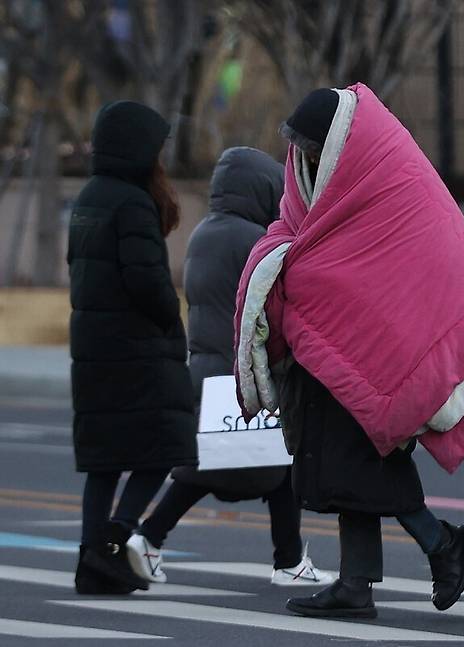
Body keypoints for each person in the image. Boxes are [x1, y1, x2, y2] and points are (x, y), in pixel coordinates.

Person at [233, 86, 464, 618]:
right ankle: (359, 583)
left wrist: (307, 277)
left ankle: (439, 547)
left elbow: (388, 264)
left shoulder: (388, 180)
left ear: (339, 143)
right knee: (344, 470)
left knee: (364, 465)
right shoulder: (315, 174)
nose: (307, 159)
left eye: (315, 148)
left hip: (371, 355)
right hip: (327, 355)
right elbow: (302, 233)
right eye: (301, 150)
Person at [125, 147, 332, 587]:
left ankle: (284, 558)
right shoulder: (252, 240)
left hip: (206, 368)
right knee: (267, 461)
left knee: (229, 464)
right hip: (243, 374)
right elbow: (276, 304)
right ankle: (286, 561)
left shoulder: (204, 233)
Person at [67, 101, 198, 594]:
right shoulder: (132, 203)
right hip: (137, 350)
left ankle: (90, 560)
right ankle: (115, 541)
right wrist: (171, 314)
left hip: (95, 349)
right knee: (163, 448)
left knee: (104, 463)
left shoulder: (89, 198)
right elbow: (147, 283)